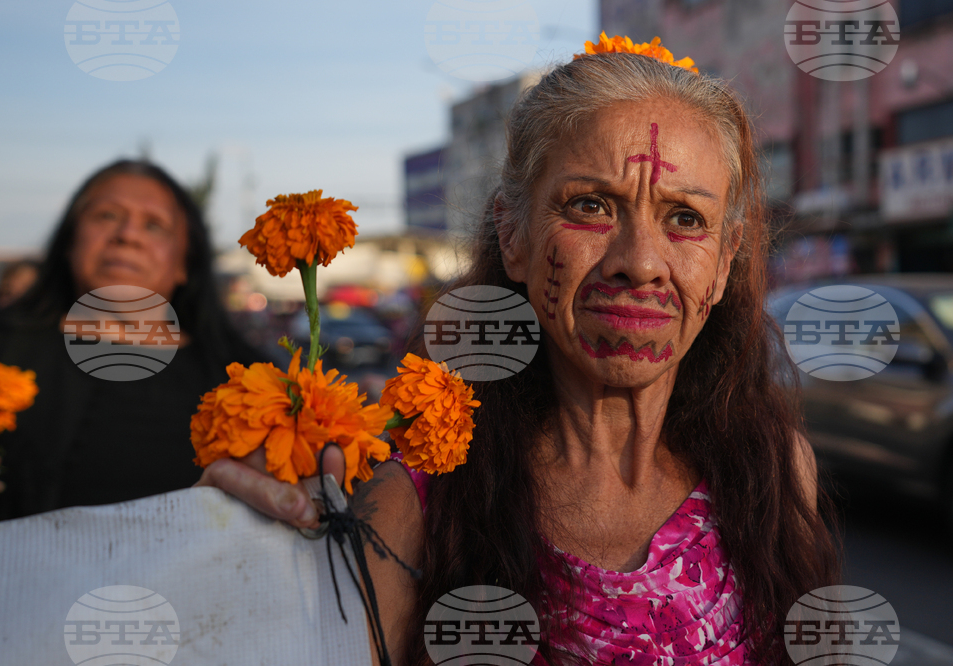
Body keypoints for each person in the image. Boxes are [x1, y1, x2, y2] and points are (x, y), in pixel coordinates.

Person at [196, 48, 840, 665]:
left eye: (685, 220)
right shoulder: (415, 508)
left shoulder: (775, 475)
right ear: (513, 235)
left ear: (725, 264)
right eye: (590, 206)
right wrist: (241, 557)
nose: (640, 262)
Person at [0, 159, 264, 523]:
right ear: (70, 242)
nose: (128, 234)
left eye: (154, 225)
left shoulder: (249, 384)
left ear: (185, 263)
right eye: (106, 216)